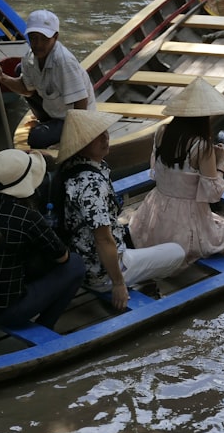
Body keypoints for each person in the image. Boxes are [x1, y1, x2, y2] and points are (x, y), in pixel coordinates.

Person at [57, 108, 186, 311]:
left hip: (80, 257)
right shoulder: (91, 184)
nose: (105, 138)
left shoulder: (71, 167)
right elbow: (103, 239)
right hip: (100, 271)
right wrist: (118, 283)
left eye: (105, 132)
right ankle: (121, 280)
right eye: (96, 137)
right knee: (178, 252)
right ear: (81, 145)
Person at [129, 77, 224, 265]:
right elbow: (213, 194)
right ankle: (213, 251)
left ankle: (217, 250)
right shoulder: (202, 146)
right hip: (187, 221)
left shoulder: (162, 132)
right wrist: (220, 159)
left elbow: (157, 171)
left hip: (155, 214)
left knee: (222, 224)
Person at [0, 149, 85, 329]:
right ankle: (46, 326)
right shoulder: (28, 217)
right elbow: (62, 257)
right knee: (76, 265)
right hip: (4, 312)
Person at [0, 9, 96, 150]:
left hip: (73, 119)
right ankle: (46, 121)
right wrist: (2, 78)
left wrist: (74, 137)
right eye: (33, 38)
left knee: (36, 139)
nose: (38, 44)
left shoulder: (64, 62)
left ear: (55, 37)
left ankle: (57, 130)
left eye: (44, 39)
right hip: (54, 111)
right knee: (20, 69)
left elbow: (81, 102)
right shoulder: (30, 57)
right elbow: (26, 89)